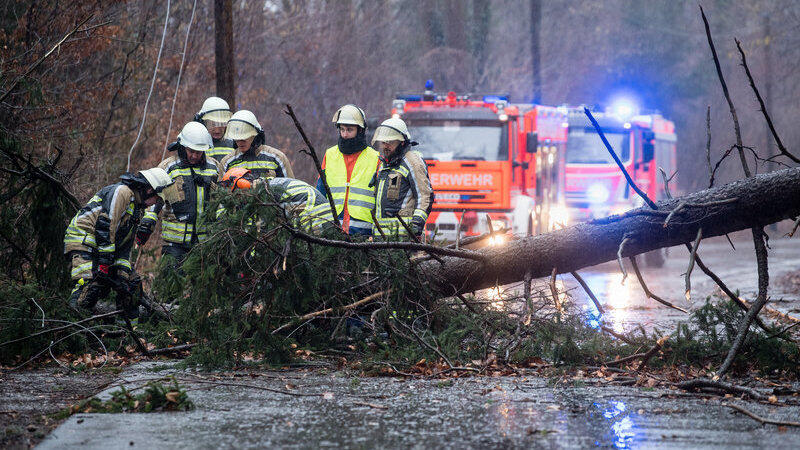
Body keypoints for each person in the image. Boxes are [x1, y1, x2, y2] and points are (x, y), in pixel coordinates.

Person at [64, 168, 175, 319]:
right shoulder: (122, 192)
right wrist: (104, 263)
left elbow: (125, 245)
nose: (156, 202)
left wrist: (122, 273)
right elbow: (105, 225)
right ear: (149, 190)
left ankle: (128, 335)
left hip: (102, 248)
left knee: (132, 285)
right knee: (90, 286)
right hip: (84, 242)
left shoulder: (137, 208)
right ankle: (70, 327)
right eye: (157, 198)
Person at [138, 122, 223, 263]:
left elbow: (221, 198)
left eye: (198, 152)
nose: (194, 156)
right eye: (191, 151)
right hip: (174, 242)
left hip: (205, 241)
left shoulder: (213, 167)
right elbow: (154, 196)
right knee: (172, 283)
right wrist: (148, 220)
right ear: (183, 146)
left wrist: (221, 222)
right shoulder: (169, 167)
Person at [317, 104, 380, 236]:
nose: (345, 135)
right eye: (342, 129)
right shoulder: (329, 155)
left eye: (349, 130)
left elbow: (380, 200)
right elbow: (320, 193)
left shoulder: (375, 158)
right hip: (332, 230)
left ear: (360, 130)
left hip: (363, 233)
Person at [371, 117, 434, 238]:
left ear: (402, 142)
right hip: (381, 240)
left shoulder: (412, 161)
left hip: (404, 240)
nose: (386, 146)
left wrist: (416, 224)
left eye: (390, 142)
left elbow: (425, 195)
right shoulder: (383, 164)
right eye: (383, 142)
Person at [220, 168, 335, 232]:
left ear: (243, 185)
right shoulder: (267, 185)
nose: (239, 200)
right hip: (315, 208)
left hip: (313, 211)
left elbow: (263, 231)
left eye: (238, 195)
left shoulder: (263, 194)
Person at [219, 110, 293, 180]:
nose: (240, 143)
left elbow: (290, 188)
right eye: (237, 139)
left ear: (255, 135)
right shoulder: (227, 162)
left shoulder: (276, 158)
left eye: (244, 138)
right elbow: (220, 191)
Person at [194, 96, 235, 162]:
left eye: (221, 124)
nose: (217, 130)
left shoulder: (235, 144)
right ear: (203, 123)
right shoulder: (196, 144)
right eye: (212, 124)